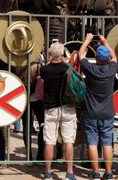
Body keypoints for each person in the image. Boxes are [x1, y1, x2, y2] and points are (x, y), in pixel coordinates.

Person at [78, 34, 118, 180]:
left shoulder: (90, 69)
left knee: (92, 143)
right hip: (107, 112)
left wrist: (87, 40)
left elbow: (81, 55)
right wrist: (105, 41)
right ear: (106, 58)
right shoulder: (112, 69)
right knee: (107, 143)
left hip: (90, 111)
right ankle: (108, 173)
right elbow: (115, 57)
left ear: (97, 58)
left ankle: (95, 173)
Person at [40, 42, 77, 180]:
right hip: (67, 106)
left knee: (50, 141)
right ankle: (70, 172)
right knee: (68, 140)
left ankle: (48, 172)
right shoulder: (68, 68)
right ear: (62, 54)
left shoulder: (44, 70)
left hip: (51, 108)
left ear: (50, 54)